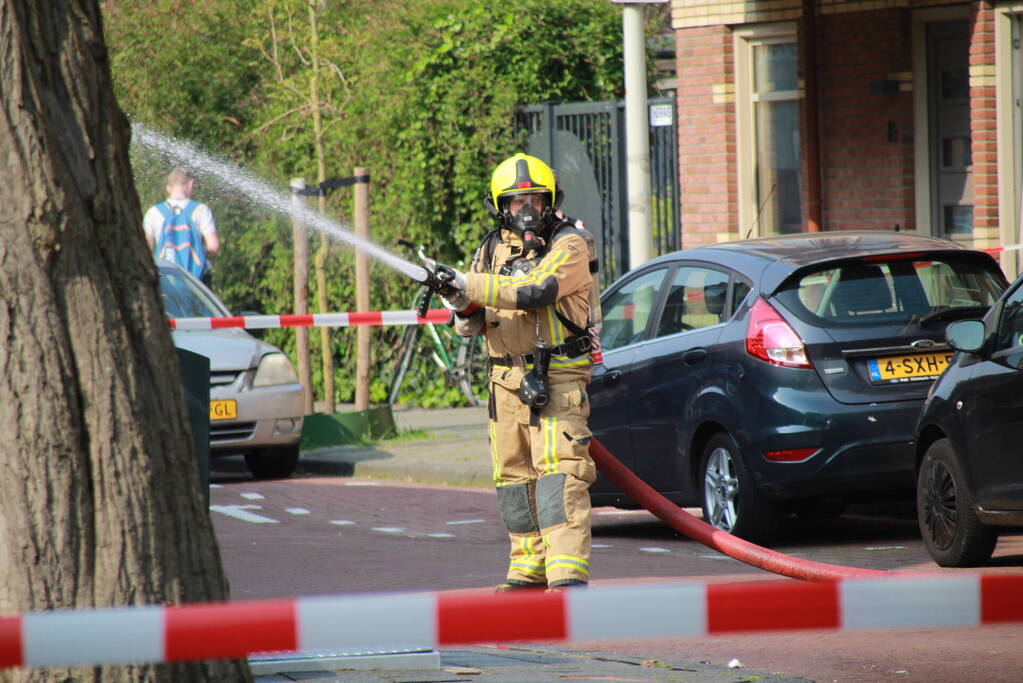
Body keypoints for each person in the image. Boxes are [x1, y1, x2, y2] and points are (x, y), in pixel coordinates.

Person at [438, 153, 599, 591]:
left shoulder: (570, 244)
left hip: (557, 379)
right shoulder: (489, 249)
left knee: (559, 475)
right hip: (503, 382)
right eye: (515, 202)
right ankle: (527, 568)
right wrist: (457, 299)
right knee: (512, 478)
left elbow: (535, 290)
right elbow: (470, 325)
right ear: (499, 205)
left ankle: (566, 572)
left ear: (550, 200)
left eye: (534, 199)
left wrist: (467, 283)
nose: (526, 210)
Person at [144, 167, 220, 287]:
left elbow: (146, 250)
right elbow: (213, 246)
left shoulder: (153, 212)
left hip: (167, 279)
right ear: (190, 184)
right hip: (197, 280)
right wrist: (197, 250)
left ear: (169, 188)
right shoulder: (201, 210)